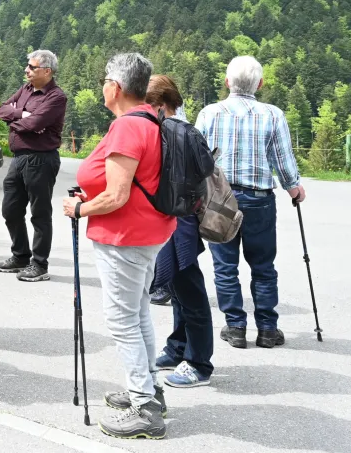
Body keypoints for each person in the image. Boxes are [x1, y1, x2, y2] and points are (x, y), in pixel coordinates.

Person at [62, 53, 174, 440]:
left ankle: (144, 406)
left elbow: (117, 196)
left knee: (123, 319)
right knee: (138, 312)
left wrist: (79, 208)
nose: (102, 86)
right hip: (148, 232)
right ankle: (149, 389)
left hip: (125, 236)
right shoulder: (150, 120)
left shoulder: (128, 127)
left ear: (117, 87)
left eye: (105, 80)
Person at [196, 56, 305, 350]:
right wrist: (294, 188)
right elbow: (282, 159)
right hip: (259, 200)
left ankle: (235, 327)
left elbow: (198, 159)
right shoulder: (273, 115)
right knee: (263, 266)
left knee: (225, 266)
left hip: (219, 200)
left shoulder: (210, 113)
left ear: (227, 82)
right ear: (260, 83)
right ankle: (268, 329)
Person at [146, 75, 213, 388]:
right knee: (178, 288)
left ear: (159, 105)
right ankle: (177, 348)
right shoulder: (184, 131)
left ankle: (199, 363)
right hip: (181, 218)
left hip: (178, 221)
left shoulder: (172, 132)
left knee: (190, 291)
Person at [0, 49, 66, 282]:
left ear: (47, 71)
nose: (26, 70)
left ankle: (39, 264)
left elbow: (35, 124)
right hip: (18, 158)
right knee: (10, 209)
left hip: (41, 159)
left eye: (31, 67)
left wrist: (19, 121)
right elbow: (2, 109)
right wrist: (23, 114)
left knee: (40, 213)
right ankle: (20, 256)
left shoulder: (56, 96)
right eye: (27, 65)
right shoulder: (25, 89)